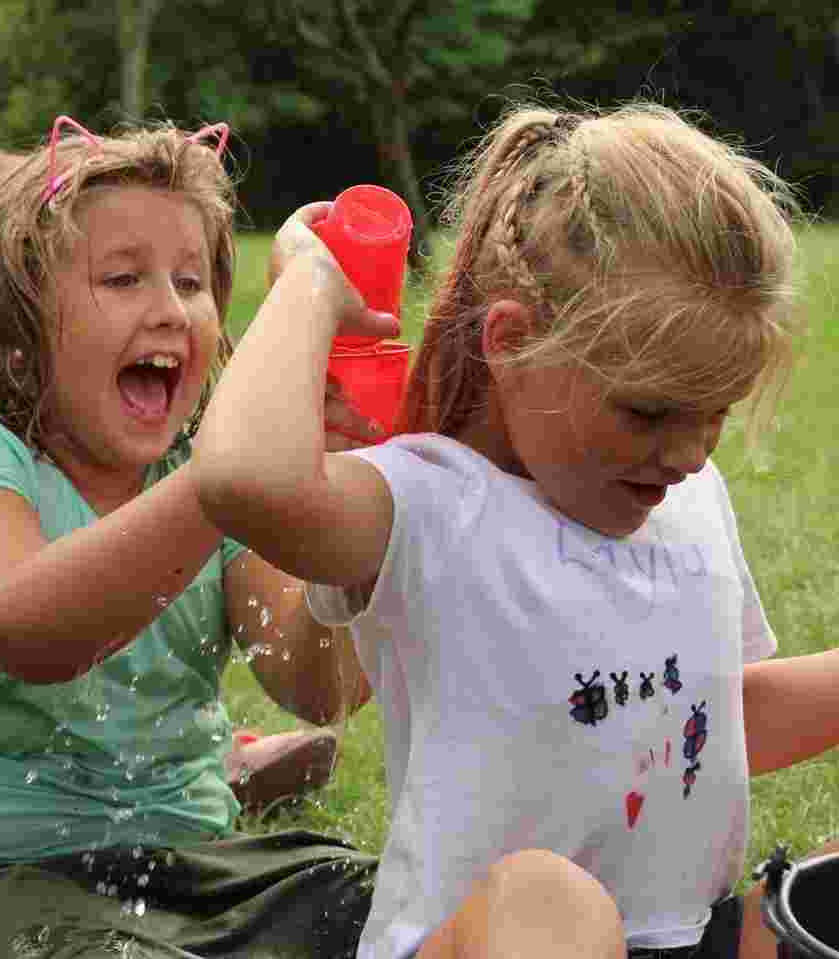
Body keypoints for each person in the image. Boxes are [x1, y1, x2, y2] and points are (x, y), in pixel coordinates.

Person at [194, 101, 839, 959]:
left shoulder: (684, 496)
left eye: (714, 413)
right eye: (650, 410)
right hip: (506, 941)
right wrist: (312, 282)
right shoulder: (426, 508)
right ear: (511, 340)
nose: (688, 451)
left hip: (690, 936)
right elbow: (242, 477)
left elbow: (708, 722)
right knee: (549, 903)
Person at [0, 118, 391, 959]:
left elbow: (314, 681)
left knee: (408, 905)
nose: (167, 308)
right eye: (122, 278)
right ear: (18, 324)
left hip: (189, 867)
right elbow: (34, 628)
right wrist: (229, 474)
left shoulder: (195, 472)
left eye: (191, 283)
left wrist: (349, 535)